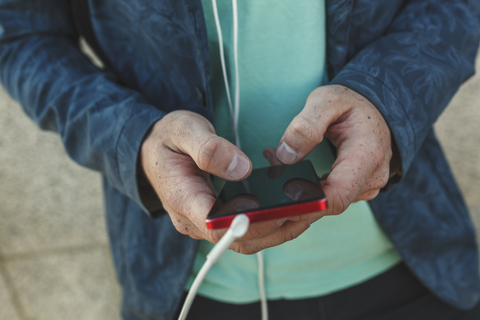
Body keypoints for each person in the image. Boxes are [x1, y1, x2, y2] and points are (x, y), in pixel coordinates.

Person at [0, 0, 479, 319]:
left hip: (413, 268)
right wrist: (135, 139)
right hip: (187, 285)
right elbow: (20, 37)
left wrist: (387, 96)